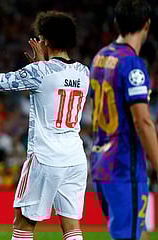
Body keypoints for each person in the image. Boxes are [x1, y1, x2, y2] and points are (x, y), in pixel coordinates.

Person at [0, 11, 89, 240]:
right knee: (71, 226)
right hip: (75, 158)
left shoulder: (39, 72)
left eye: (40, 38)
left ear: (46, 40)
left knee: (23, 223)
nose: (39, 41)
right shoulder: (83, 72)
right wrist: (43, 63)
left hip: (46, 158)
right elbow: (57, 86)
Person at [89, 0, 158, 239]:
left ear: (117, 23)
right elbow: (142, 121)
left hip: (101, 163)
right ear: (147, 25)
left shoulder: (100, 57)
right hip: (123, 166)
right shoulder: (132, 64)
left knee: (134, 232)